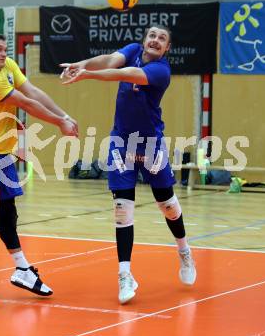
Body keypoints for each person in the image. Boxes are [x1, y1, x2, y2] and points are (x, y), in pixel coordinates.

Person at [60, 24, 196, 304]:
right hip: (121, 142)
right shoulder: (133, 50)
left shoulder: (161, 71)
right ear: (144, 40)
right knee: (122, 210)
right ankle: (125, 275)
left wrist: (88, 75)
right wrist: (80, 64)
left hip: (150, 144)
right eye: (152, 36)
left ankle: (183, 250)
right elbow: (111, 61)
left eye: (162, 38)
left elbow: (123, 74)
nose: (155, 40)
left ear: (167, 48)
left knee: (167, 205)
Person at [0, 33, 78, 307]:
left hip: (4, 152)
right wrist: (59, 123)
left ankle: (22, 269)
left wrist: (64, 115)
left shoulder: (8, 66)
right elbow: (26, 103)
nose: (3, 54)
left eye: (5, 49)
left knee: (7, 214)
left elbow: (34, 92)